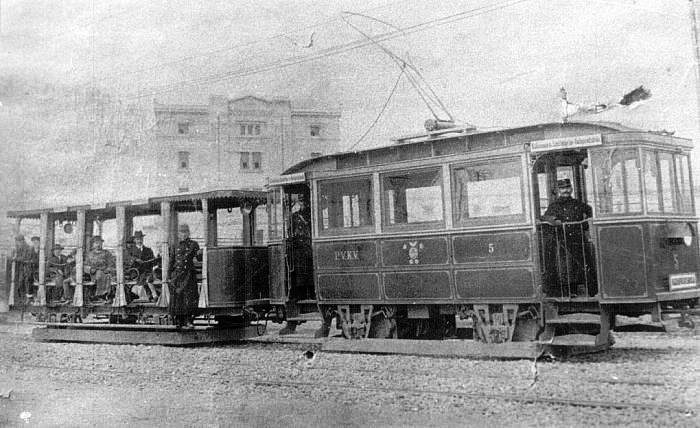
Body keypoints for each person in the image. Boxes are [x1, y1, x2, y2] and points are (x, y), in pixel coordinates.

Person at [541, 178, 595, 296]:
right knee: (566, 267)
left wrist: (585, 225)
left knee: (585, 265)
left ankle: (591, 291)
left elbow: (590, 212)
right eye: (562, 188)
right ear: (558, 190)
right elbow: (545, 217)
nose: (566, 190)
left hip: (579, 239)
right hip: (563, 241)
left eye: (567, 187)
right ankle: (569, 292)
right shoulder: (554, 206)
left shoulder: (578, 204)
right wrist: (554, 220)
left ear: (571, 189)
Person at [169, 224, 200, 328]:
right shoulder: (175, 245)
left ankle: (188, 320)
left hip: (188, 275)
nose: (183, 234)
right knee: (178, 298)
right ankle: (179, 320)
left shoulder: (193, 244)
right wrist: (168, 275)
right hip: (177, 275)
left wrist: (200, 253)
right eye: (181, 232)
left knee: (188, 298)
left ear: (188, 233)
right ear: (179, 233)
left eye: (185, 232)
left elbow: (199, 258)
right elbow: (171, 261)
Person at [85, 235, 116, 303]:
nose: (98, 245)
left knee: (109, 277)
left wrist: (108, 269)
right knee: (99, 275)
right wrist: (90, 269)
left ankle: (106, 295)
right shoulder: (90, 254)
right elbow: (85, 265)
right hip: (93, 274)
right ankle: (99, 295)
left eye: (100, 243)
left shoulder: (107, 253)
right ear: (93, 244)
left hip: (105, 272)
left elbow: (111, 264)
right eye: (96, 243)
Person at [129, 230, 158, 301]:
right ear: (135, 240)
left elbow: (153, 262)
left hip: (147, 271)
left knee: (149, 276)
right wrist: (135, 260)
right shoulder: (131, 250)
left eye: (141, 239)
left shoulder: (148, 250)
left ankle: (152, 296)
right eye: (138, 239)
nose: (139, 241)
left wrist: (154, 261)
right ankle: (152, 295)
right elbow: (128, 260)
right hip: (135, 272)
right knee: (145, 277)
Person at [12, 235, 34, 305]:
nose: (18, 243)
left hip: (28, 267)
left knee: (27, 282)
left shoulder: (28, 248)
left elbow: (24, 258)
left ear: (22, 241)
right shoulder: (19, 248)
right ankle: (22, 299)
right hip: (22, 267)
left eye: (19, 242)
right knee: (20, 282)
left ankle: (29, 299)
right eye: (17, 242)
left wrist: (15, 258)